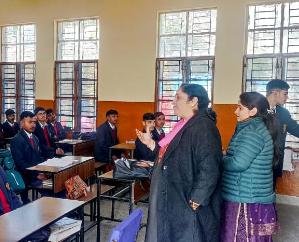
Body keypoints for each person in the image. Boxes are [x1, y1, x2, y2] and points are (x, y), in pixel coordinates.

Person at [137, 84, 222, 242]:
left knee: (189, 234)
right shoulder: (184, 124)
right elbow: (171, 154)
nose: (173, 102)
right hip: (175, 193)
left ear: (193, 101)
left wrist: (198, 198)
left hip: (187, 197)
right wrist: (152, 144)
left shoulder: (203, 126)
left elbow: (210, 166)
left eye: (178, 97)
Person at [221, 92, 279, 241]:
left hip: (246, 198)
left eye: (239, 108)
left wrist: (220, 159)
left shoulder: (252, 132)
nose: (235, 111)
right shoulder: (251, 128)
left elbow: (238, 163)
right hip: (248, 193)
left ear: (252, 111)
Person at [266, 79, 299, 188]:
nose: (287, 97)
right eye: (285, 94)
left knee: (270, 192)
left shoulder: (283, 113)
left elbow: (295, 128)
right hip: (257, 163)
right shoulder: (256, 109)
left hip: (275, 161)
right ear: (275, 93)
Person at [10, 111, 48, 204]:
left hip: (36, 173)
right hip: (26, 176)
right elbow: (20, 163)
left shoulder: (35, 138)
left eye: (34, 122)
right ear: (22, 123)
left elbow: (39, 158)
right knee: (51, 190)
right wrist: (36, 175)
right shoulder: (16, 140)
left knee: (58, 186)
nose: (33, 125)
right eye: (30, 122)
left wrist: (46, 169)